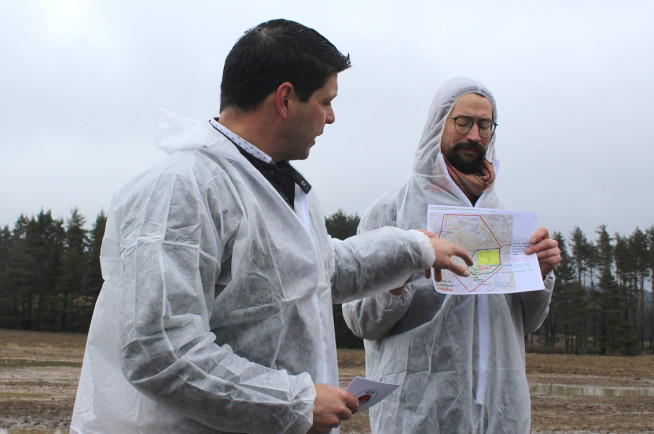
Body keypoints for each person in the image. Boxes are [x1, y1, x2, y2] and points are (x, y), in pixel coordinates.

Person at [70, 20, 472, 434]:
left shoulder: (283, 187)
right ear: (284, 99)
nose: (331, 118)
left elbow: (321, 268)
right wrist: (294, 402)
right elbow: (159, 349)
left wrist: (415, 249)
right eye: (325, 101)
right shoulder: (183, 189)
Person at [342, 77, 562, 433]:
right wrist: (399, 278)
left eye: (484, 124)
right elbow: (360, 321)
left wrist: (538, 272)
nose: (474, 134)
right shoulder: (391, 211)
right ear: (438, 123)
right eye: (463, 122)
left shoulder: (506, 218)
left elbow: (528, 322)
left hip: (500, 412)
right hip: (419, 411)